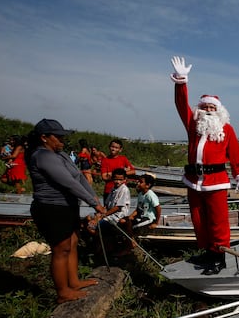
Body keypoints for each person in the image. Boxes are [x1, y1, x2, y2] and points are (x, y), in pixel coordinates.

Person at [170, 55, 239, 275]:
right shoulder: (193, 125)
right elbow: (180, 104)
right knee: (199, 219)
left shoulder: (227, 130)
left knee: (218, 221)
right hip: (194, 182)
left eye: (211, 108)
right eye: (203, 106)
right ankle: (207, 250)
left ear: (219, 110)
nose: (207, 110)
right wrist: (181, 81)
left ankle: (219, 256)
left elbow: (235, 154)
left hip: (216, 182)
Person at [25, 118, 106, 304]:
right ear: (44, 138)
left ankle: (74, 282)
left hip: (67, 207)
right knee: (60, 249)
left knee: (72, 242)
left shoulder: (59, 154)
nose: (62, 140)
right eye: (58, 136)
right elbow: (67, 183)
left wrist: (94, 198)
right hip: (51, 208)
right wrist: (93, 203)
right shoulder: (42, 156)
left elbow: (78, 178)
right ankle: (63, 292)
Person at [120, 174, 161, 254]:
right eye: (138, 181)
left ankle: (130, 245)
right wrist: (130, 216)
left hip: (148, 218)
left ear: (147, 185)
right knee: (123, 221)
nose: (138, 183)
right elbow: (138, 209)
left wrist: (156, 223)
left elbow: (158, 208)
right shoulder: (140, 194)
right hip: (140, 217)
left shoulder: (150, 195)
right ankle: (130, 242)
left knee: (132, 227)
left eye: (141, 182)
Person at [100, 139, 135, 204]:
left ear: (120, 149)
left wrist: (114, 174)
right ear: (109, 147)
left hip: (122, 190)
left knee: (121, 210)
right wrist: (122, 173)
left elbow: (133, 171)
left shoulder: (123, 159)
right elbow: (104, 177)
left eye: (116, 148)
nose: (113, 149)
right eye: (112, 147)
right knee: (107, 210)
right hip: (109, 190)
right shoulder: (105, 160)